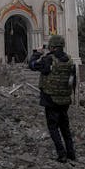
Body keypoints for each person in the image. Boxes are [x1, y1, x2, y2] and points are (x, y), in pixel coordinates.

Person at [29, 34, 77, 162]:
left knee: (53, 128)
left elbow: (32, 65)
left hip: (51, 99)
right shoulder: (70, 60)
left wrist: (37, 53)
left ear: (52, 47)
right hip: (65, 99)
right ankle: (71, 153)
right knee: (65, 127)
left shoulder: (48, 59)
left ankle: (61, 154)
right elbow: (73, 81)